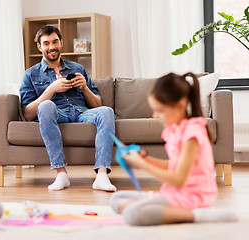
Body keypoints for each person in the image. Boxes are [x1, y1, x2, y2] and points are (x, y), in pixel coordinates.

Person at [110, 72, 237, 226]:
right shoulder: (175, 130)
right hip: (174, 193)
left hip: (193, 197)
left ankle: (196, 215)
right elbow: (174, 166)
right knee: (116, 199)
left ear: (180, 105)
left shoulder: (192, 134)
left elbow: (178, 179)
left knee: (132, 214)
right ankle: (160, 208)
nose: (156, 115)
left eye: (160, 110)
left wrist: (143, 165)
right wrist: (145, 160)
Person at [19, 25, 116, 192]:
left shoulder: (77, 68)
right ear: (39, 46)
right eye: (46, 43)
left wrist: (85, 88)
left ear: (61, 42)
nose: (51, 47)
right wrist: (51, 89)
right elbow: (27, 114)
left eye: (55, 42)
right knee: (46, 106)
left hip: (82, 113)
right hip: (58, 113)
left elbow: (98, 105)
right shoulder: (31, 74)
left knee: (107, 111)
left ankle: (101, 175)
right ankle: (61, 173)